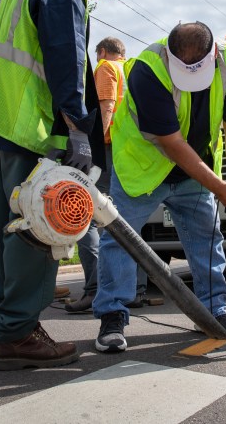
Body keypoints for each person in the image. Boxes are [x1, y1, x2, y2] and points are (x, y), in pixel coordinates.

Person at [0, 0, 139, 370]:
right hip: (29, 129)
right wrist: (78, 128)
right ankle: (18, 334)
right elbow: (67, 61)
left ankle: (1, 329)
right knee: (37, 230)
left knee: (7, 229)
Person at [92, 21, 226, 353]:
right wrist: (220, 189)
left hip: (196, 170)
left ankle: (213, 310)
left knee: (206, 237)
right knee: (120, 240)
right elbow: (172, 143)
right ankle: (112, 317)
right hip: (143, 167)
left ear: (213, 54)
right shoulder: (147, 69)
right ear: (170, 53)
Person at [65, 37, 149, 313]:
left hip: (109, 148)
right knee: (124, 217)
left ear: (102, 52)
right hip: (132, 152)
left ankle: (95, 289)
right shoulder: (133, 69)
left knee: (87, 214)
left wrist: (91, 146)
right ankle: (135, 288)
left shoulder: (105, 67)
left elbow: (106, 106)